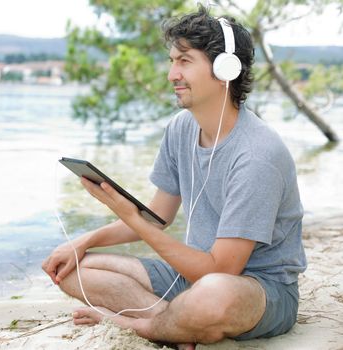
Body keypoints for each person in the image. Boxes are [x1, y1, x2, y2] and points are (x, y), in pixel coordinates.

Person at [42, 5, 307, 349]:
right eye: (172, 61)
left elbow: (220, 271)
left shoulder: (258, 154)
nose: (171, 74)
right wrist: (83, 242)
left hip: (255, 290)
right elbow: (158, 217)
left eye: (184, 61)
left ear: (225, 68)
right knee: (74, 270)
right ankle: (175, 322)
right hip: (191, 276)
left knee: (211, 294)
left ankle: (142, 323)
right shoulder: (181, 129)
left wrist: (130, 218)